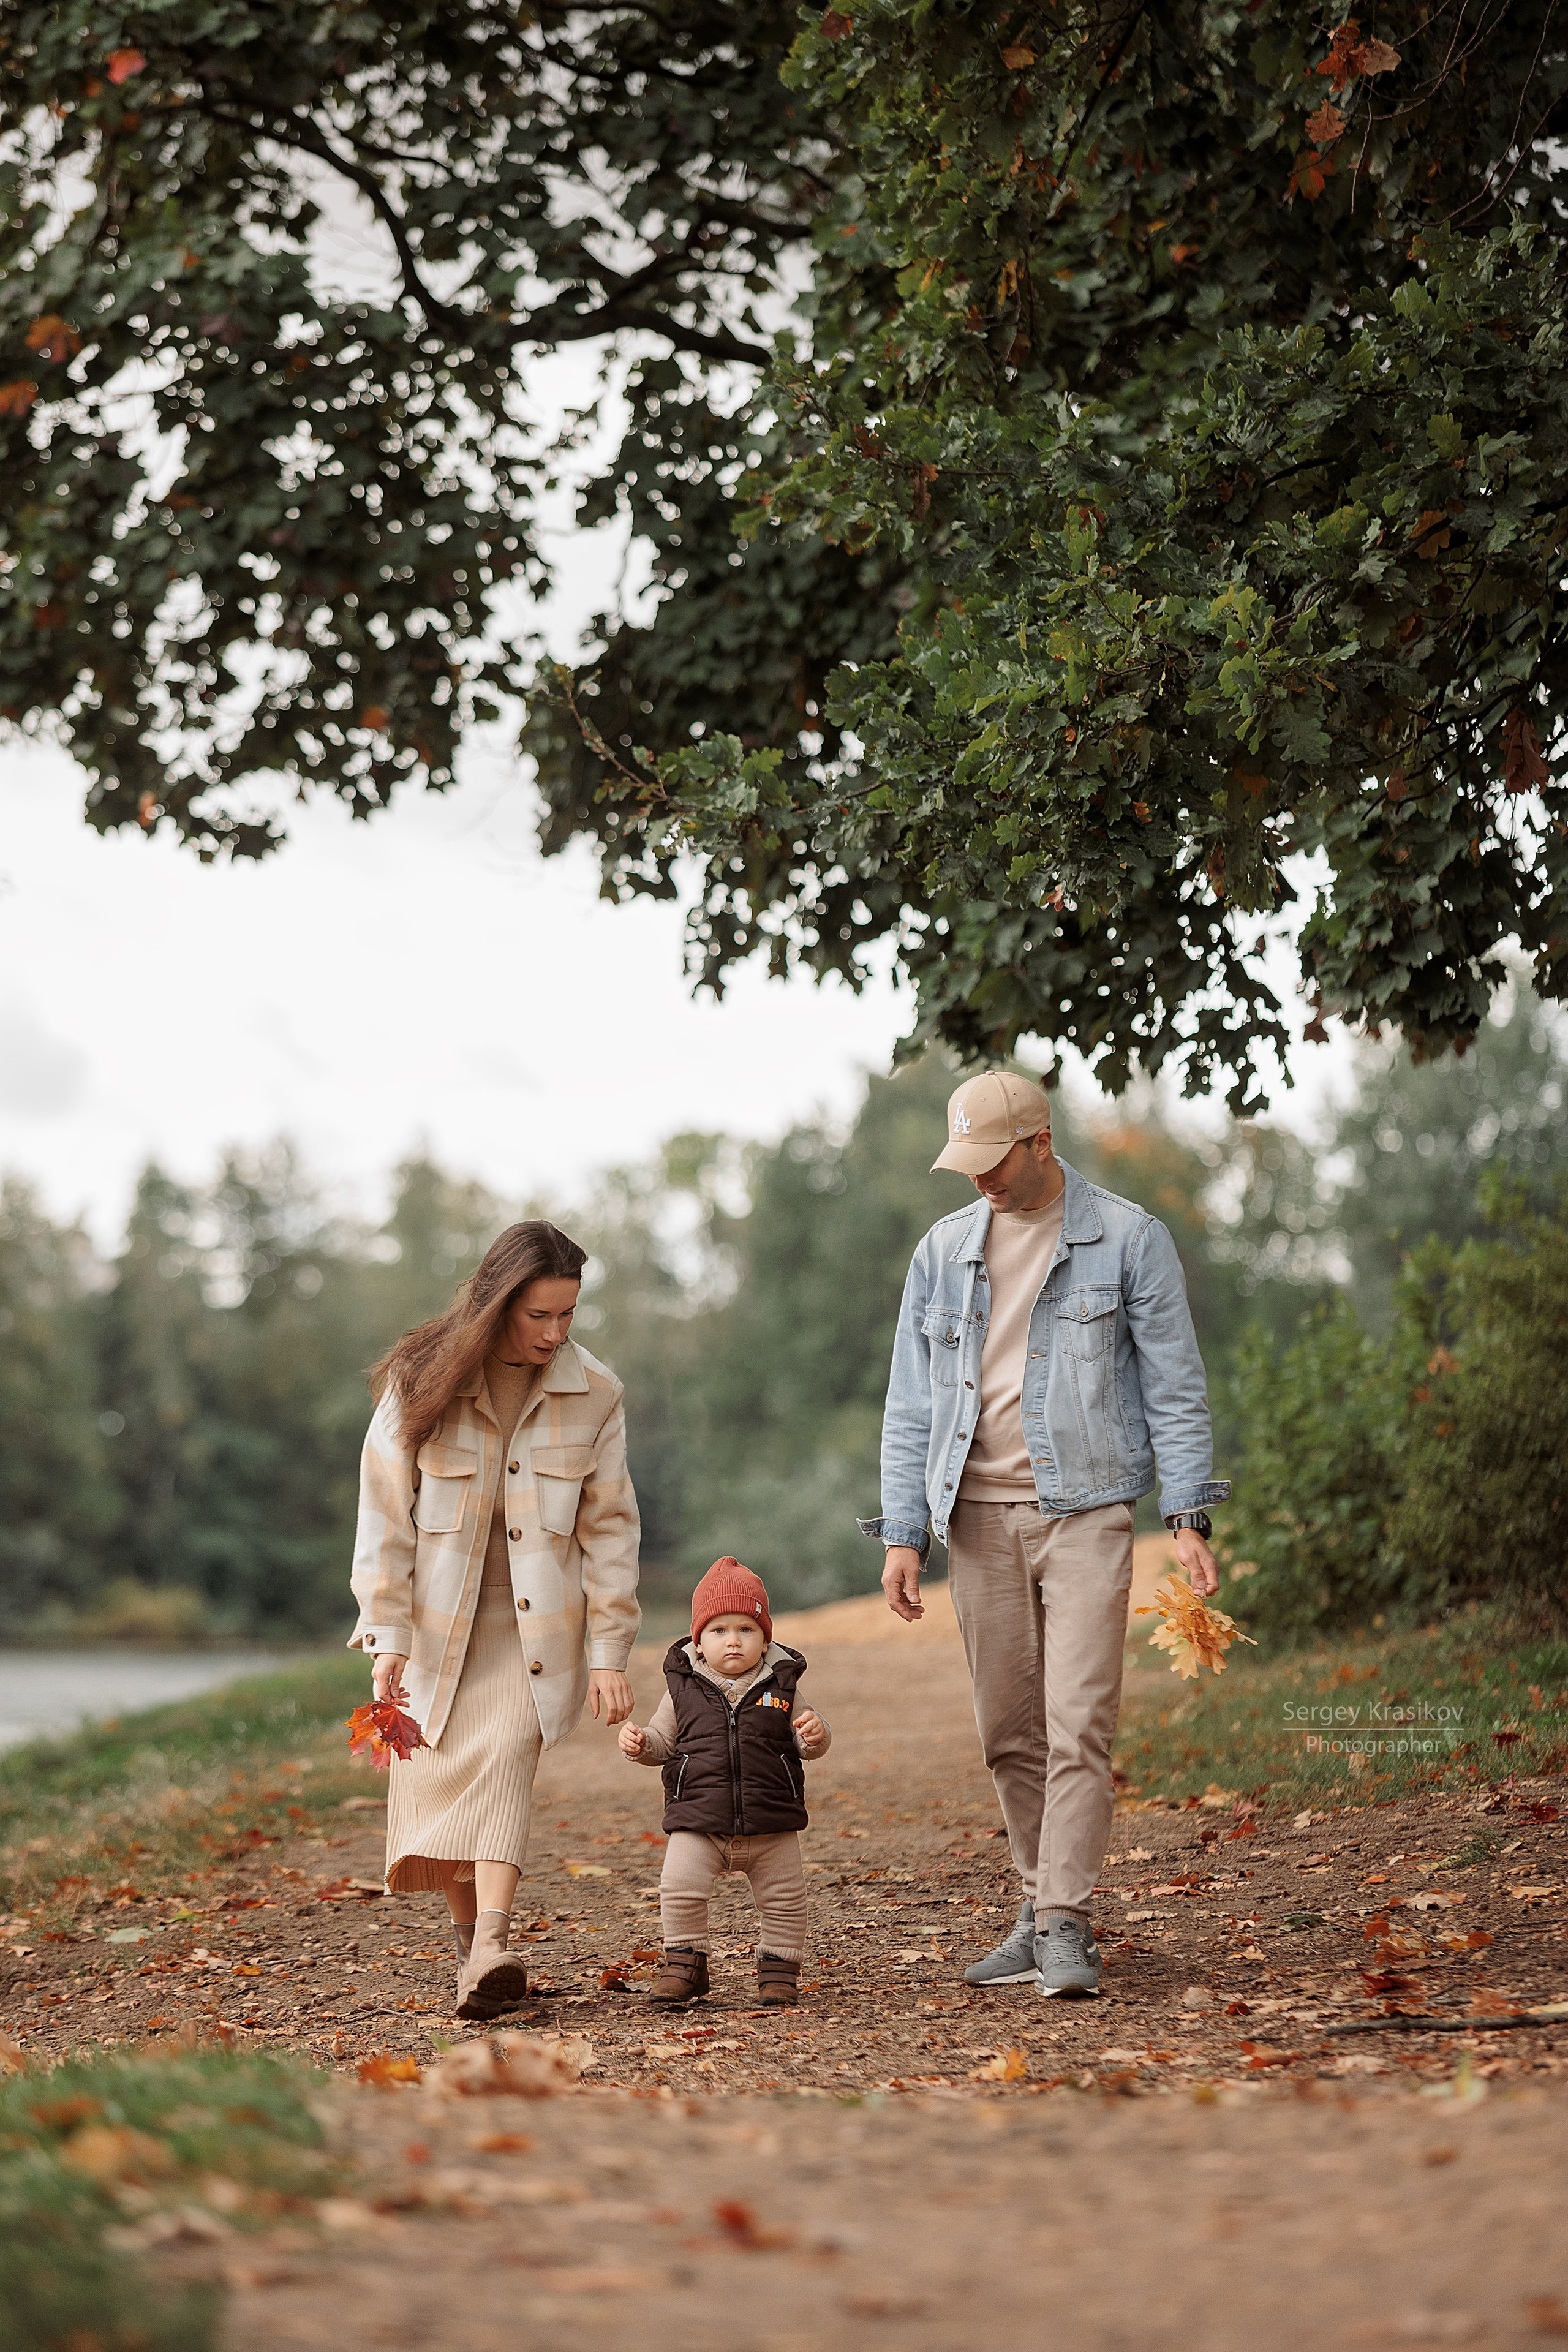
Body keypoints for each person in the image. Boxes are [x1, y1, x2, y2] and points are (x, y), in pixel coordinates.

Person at [860, 1071, 1229, 1999]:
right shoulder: (942, 1252)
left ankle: (1064, 1918)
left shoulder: (1129, 1238)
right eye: (966, 1163)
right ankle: (1035, 1906)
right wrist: (904, 1532)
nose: (978, 1179)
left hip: (1089, 1508)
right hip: (974, 1516)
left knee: (1081, 1721)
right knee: (1007, 1733)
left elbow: (1175, 1385)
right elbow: (910, 1402)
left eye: (993, 1161)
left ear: (1040, 1142)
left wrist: (1188, 1516)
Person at [349, 1219, 640, 2021]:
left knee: (505, 1759)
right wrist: (387, 1635)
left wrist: (610, 1649)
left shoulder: (598, 1396)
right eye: (537, 1315)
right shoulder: (420, 1379)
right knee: (446, 1776)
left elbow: (610, 1530)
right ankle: (474, 1954)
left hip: (534, 1631)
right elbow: (385, 1517)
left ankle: (493, 1944)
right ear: (497, 1303)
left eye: (568, 1316)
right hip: (436, 1627)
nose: (554, 1333)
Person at [619, 1556, 830, 2009]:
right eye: (719, 1631)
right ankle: (685, 1964)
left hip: (772, 1820)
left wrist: (814, 1734)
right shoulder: (682, 1688)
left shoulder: (782, 1685)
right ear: (698, 1639)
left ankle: (778, 1972)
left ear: (765, 1636)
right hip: (699, 1820)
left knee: (785, 1900)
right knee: (680, 1888)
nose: (733, 1640)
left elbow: (809, 1741)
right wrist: (641, 1745)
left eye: (746, 1630)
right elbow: (662, 1742)